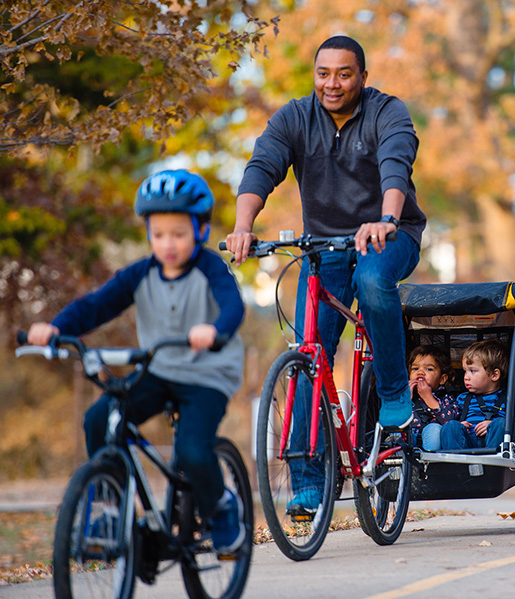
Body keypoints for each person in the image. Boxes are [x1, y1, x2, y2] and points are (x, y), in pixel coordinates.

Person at [225, 35, 426, 513]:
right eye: (323, 73)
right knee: (308, 353)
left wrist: (388, 218)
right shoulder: (293, 118)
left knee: (374, 282)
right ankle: (308, 481)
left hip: (389, 235)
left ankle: (396, 391)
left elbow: (396, 164)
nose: (331, 83)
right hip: (325, 246)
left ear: (362, 77)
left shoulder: (387, 112)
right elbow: (262, 168)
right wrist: (242, 228)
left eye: (343, 73)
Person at [26, 170, 247, 554]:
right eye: (158, 234)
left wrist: (214, 330)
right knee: (99, 420)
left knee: (195, 451)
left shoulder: (211, 268)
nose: (168, 244)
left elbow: (233, 305)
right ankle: (111, 510)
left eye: (178, 233)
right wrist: (56, 328)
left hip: (207, 376)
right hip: (158, 371)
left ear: (201, 231)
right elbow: (97, 304)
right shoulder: (141, 274)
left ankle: (223, 508)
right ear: (148, 234)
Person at [440, 339, 508, 451]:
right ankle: (455, 464)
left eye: (472, 371)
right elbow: (452, 420)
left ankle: (492, 464)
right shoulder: (462, 398)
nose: (466, 377)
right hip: (466, 444)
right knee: (450, 426)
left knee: (502, 423)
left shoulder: (508, 399)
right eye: (465, 371)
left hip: (493, 443)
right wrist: (460, 424)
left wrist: (491, 425)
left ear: (494, 375)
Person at [408, 344, 459, 451]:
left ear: (442, 379)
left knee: (434, 429)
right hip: (409, 439)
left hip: (431, 442)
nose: (420, 372)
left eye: (429, 369)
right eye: (415, 368)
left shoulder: (446, 397)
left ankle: (430, 464)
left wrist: (429, 398)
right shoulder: (406, 396)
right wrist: (406, 399)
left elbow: (449, 421)